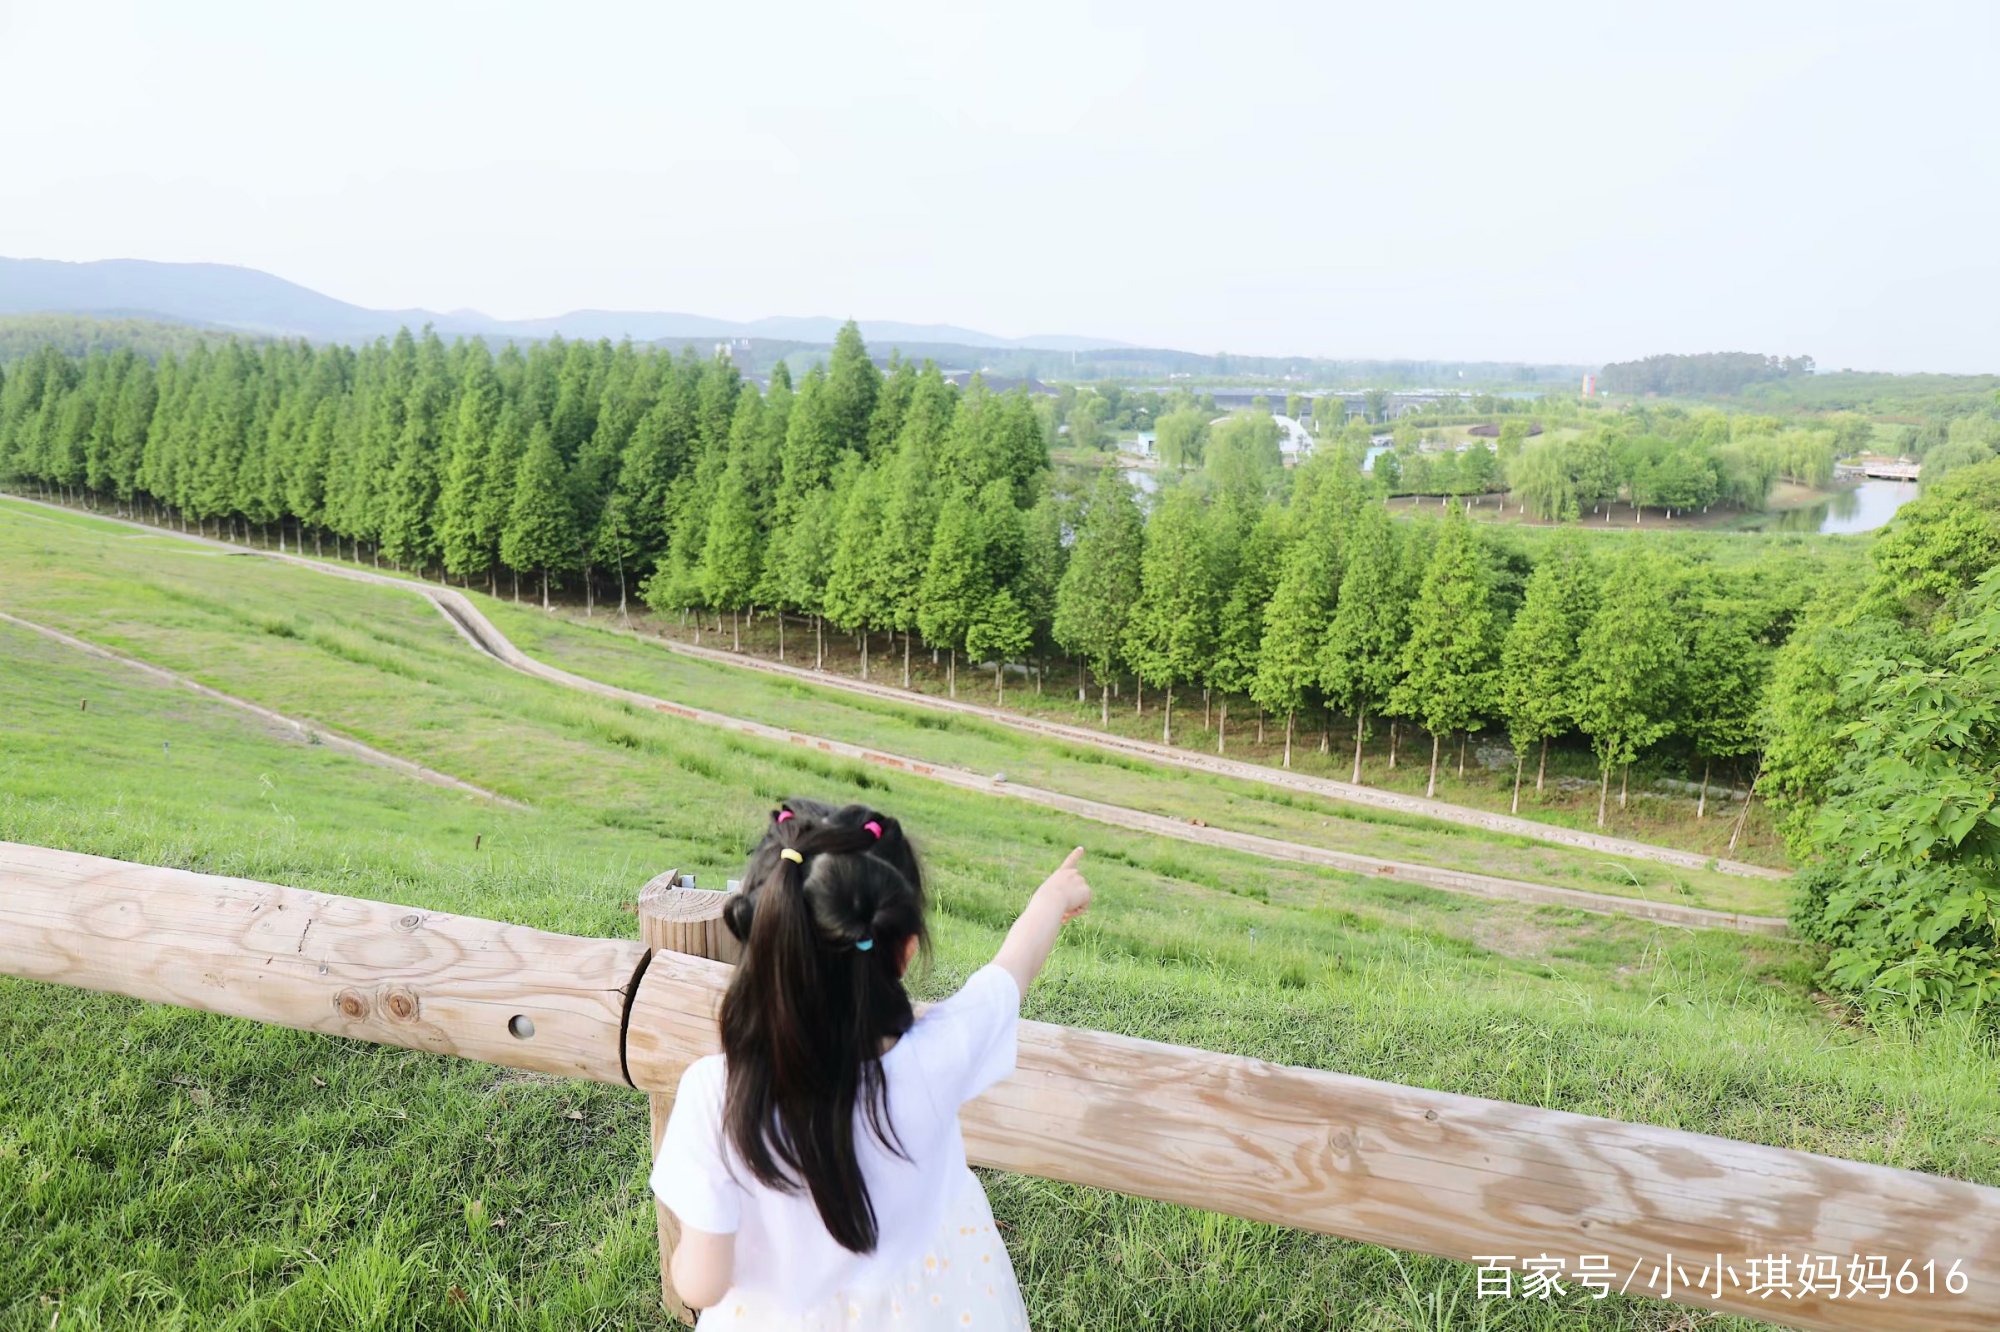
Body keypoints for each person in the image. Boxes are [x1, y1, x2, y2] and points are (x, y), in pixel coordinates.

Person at [650, 798, 1092, 1330]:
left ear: (766, 937)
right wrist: (1052, 897)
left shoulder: (716, 1093)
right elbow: (1010, 971)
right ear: (905, 951)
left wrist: (689, 1264)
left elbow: (703, 1284)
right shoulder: (940, 1054)